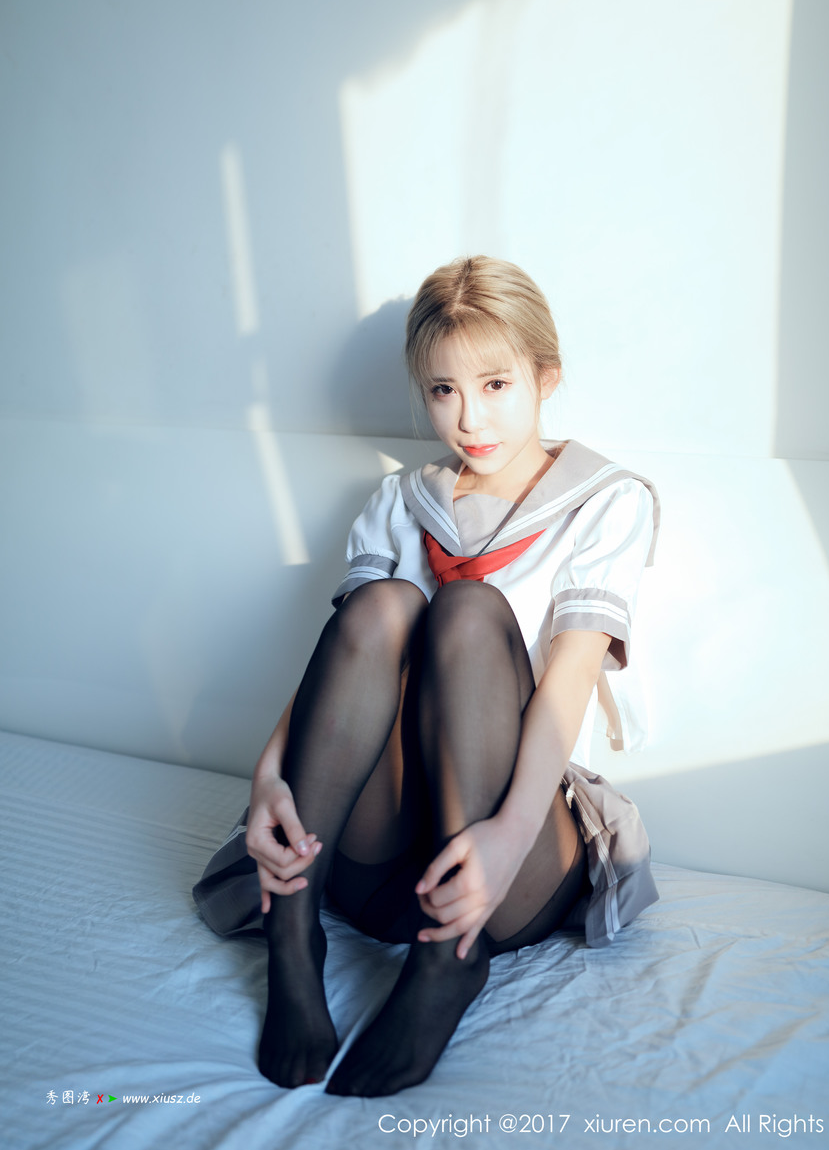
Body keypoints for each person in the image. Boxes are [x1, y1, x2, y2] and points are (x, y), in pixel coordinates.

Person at [193, 255, 660, 1097]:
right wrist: (267, 777)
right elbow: (342, 666)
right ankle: (293, 936)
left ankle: (450, 961)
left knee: (469, 610)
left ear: (546, 377)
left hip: (511, 850)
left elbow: (567, 683)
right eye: (444, 390)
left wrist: (507, 835)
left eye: (495, 384)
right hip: (380, 865)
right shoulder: (400, 501)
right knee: (381, 605)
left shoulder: (607, 500)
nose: (468, 417)